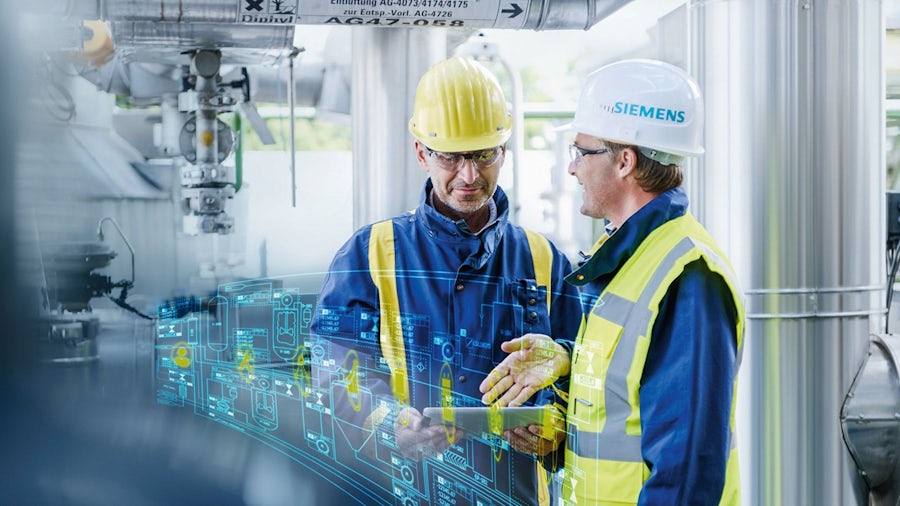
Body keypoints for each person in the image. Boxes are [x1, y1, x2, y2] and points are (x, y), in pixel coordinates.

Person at [310, 56, 582, 505]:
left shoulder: (545, 260)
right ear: (422, 154)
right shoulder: (370, 253)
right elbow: (333, 372)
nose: (469, 175)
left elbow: (585, 378)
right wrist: (387, 424)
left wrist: (553, 431)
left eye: (482, 155)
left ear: (504, 152)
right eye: (451, 157)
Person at [480, 58, 745, 505]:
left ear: (624, 161)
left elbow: (686, 473)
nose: (573, 169)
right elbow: (626, 414)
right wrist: (570, 364)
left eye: (581, 153)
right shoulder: (632, 260)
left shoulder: (687, 278)